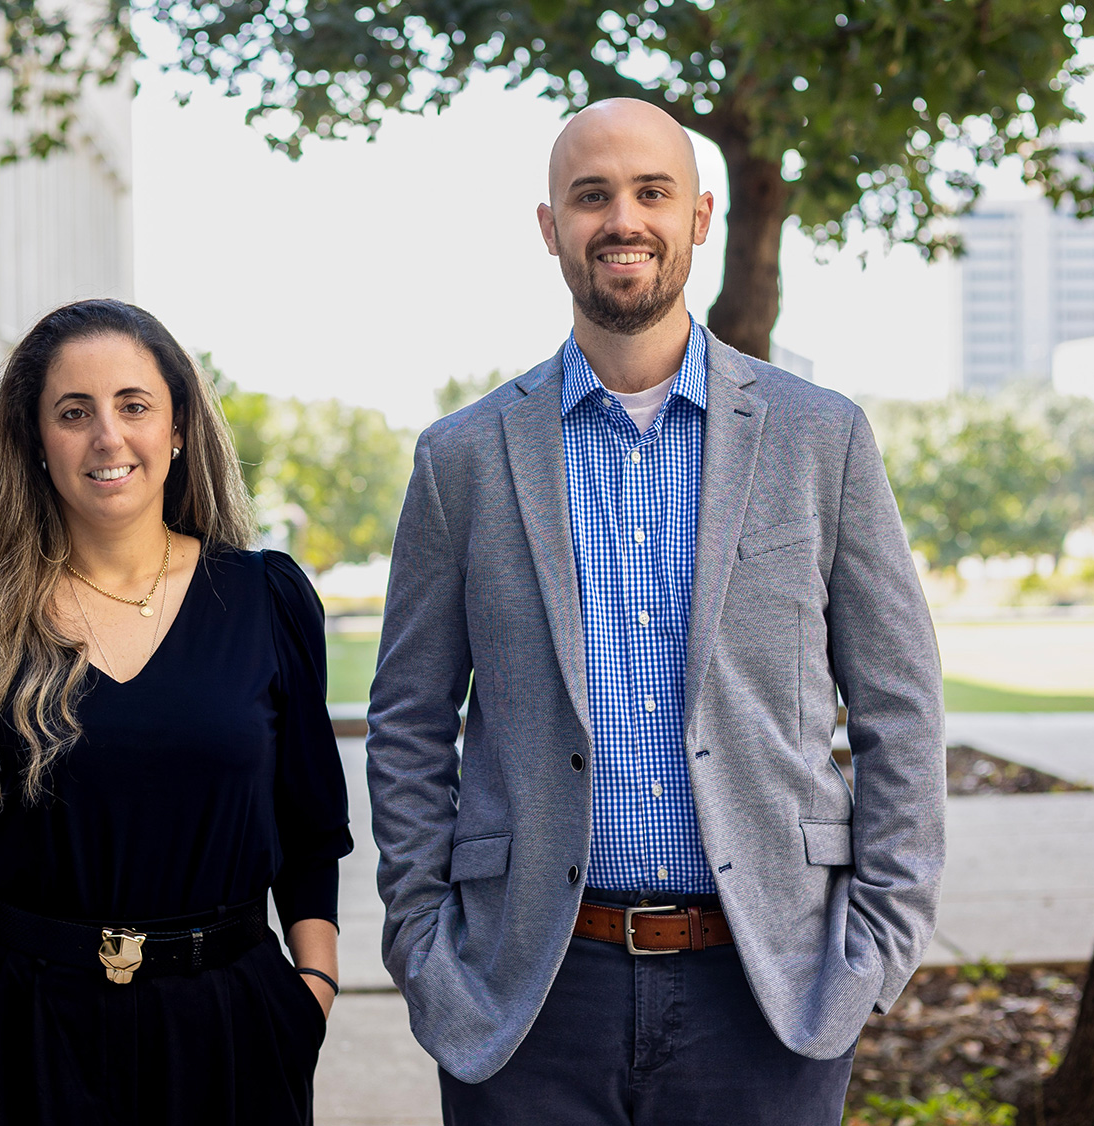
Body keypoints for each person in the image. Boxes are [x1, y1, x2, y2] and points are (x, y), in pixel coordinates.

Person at [366, 99, 946, 1123]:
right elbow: (408, 721)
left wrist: (877, 944)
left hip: (767, 987)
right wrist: (423, 944)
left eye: (650, 192)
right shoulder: (461, 461)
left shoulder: (820, 438)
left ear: (699, 217)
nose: (620, 218)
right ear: (549, 227)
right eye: (590, 195)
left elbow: (898, 704)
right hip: (530, 993)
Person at [0, 299, 352, 1125]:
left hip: (227, 1036)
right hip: (14, 1037)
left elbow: (311, 825)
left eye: (134, 405)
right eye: (73, 413)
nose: (108, 436)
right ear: (36, 441)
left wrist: (310, 993)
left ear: (178, 427)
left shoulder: (265, 600)